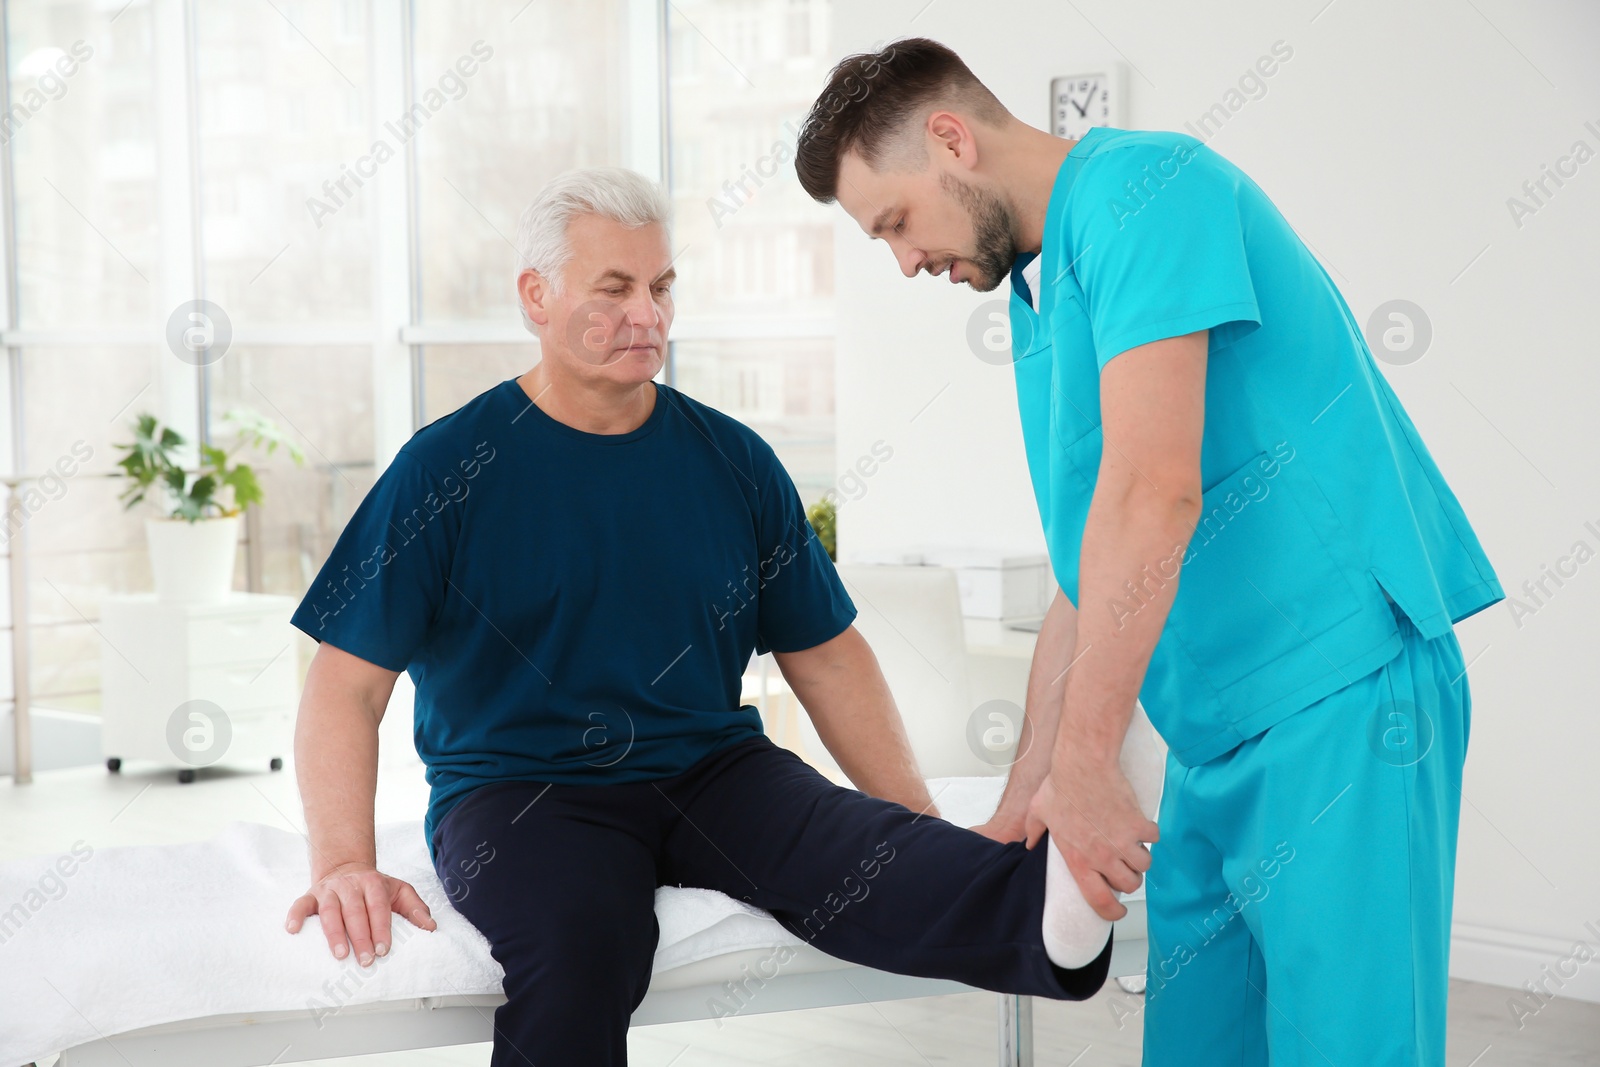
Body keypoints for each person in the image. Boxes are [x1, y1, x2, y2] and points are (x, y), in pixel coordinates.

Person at [281, 166, 1113, 1066]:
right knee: (584, 942)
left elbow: (828, 656)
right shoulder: (444, 468)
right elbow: (345, 687)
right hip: (520, 789)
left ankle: (1049, 915)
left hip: (714, 767)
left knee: (865, 851)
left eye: (662, 286)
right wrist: (342, 862)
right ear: (536, 296)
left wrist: (911, 821)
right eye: (615, 289)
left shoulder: (734, 460)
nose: (649, 314)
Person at [794, 37, 1504, 1066]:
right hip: (1212, 736)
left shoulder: (1147, 192)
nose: (904, 262)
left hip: (1339, 692)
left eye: (896, 223)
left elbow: (1153, 492)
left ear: (952, 140)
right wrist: (1031, 789)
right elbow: (1094, 570)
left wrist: (1088, 761)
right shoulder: (1040, 289)